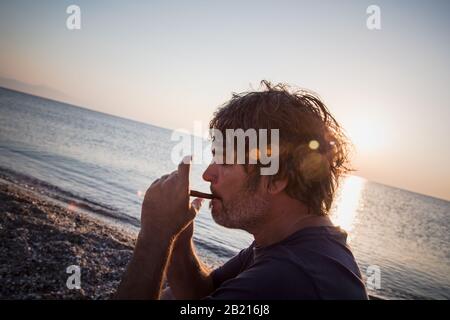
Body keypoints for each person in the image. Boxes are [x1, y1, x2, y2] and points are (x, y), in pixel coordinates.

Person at [115, 81, 368, 300]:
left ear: (276, 178)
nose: (207, 174)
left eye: (225, 161)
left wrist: (155, 235)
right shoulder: (288, 244)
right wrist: (178, 238)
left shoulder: (290, 275)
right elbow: (202, 292)